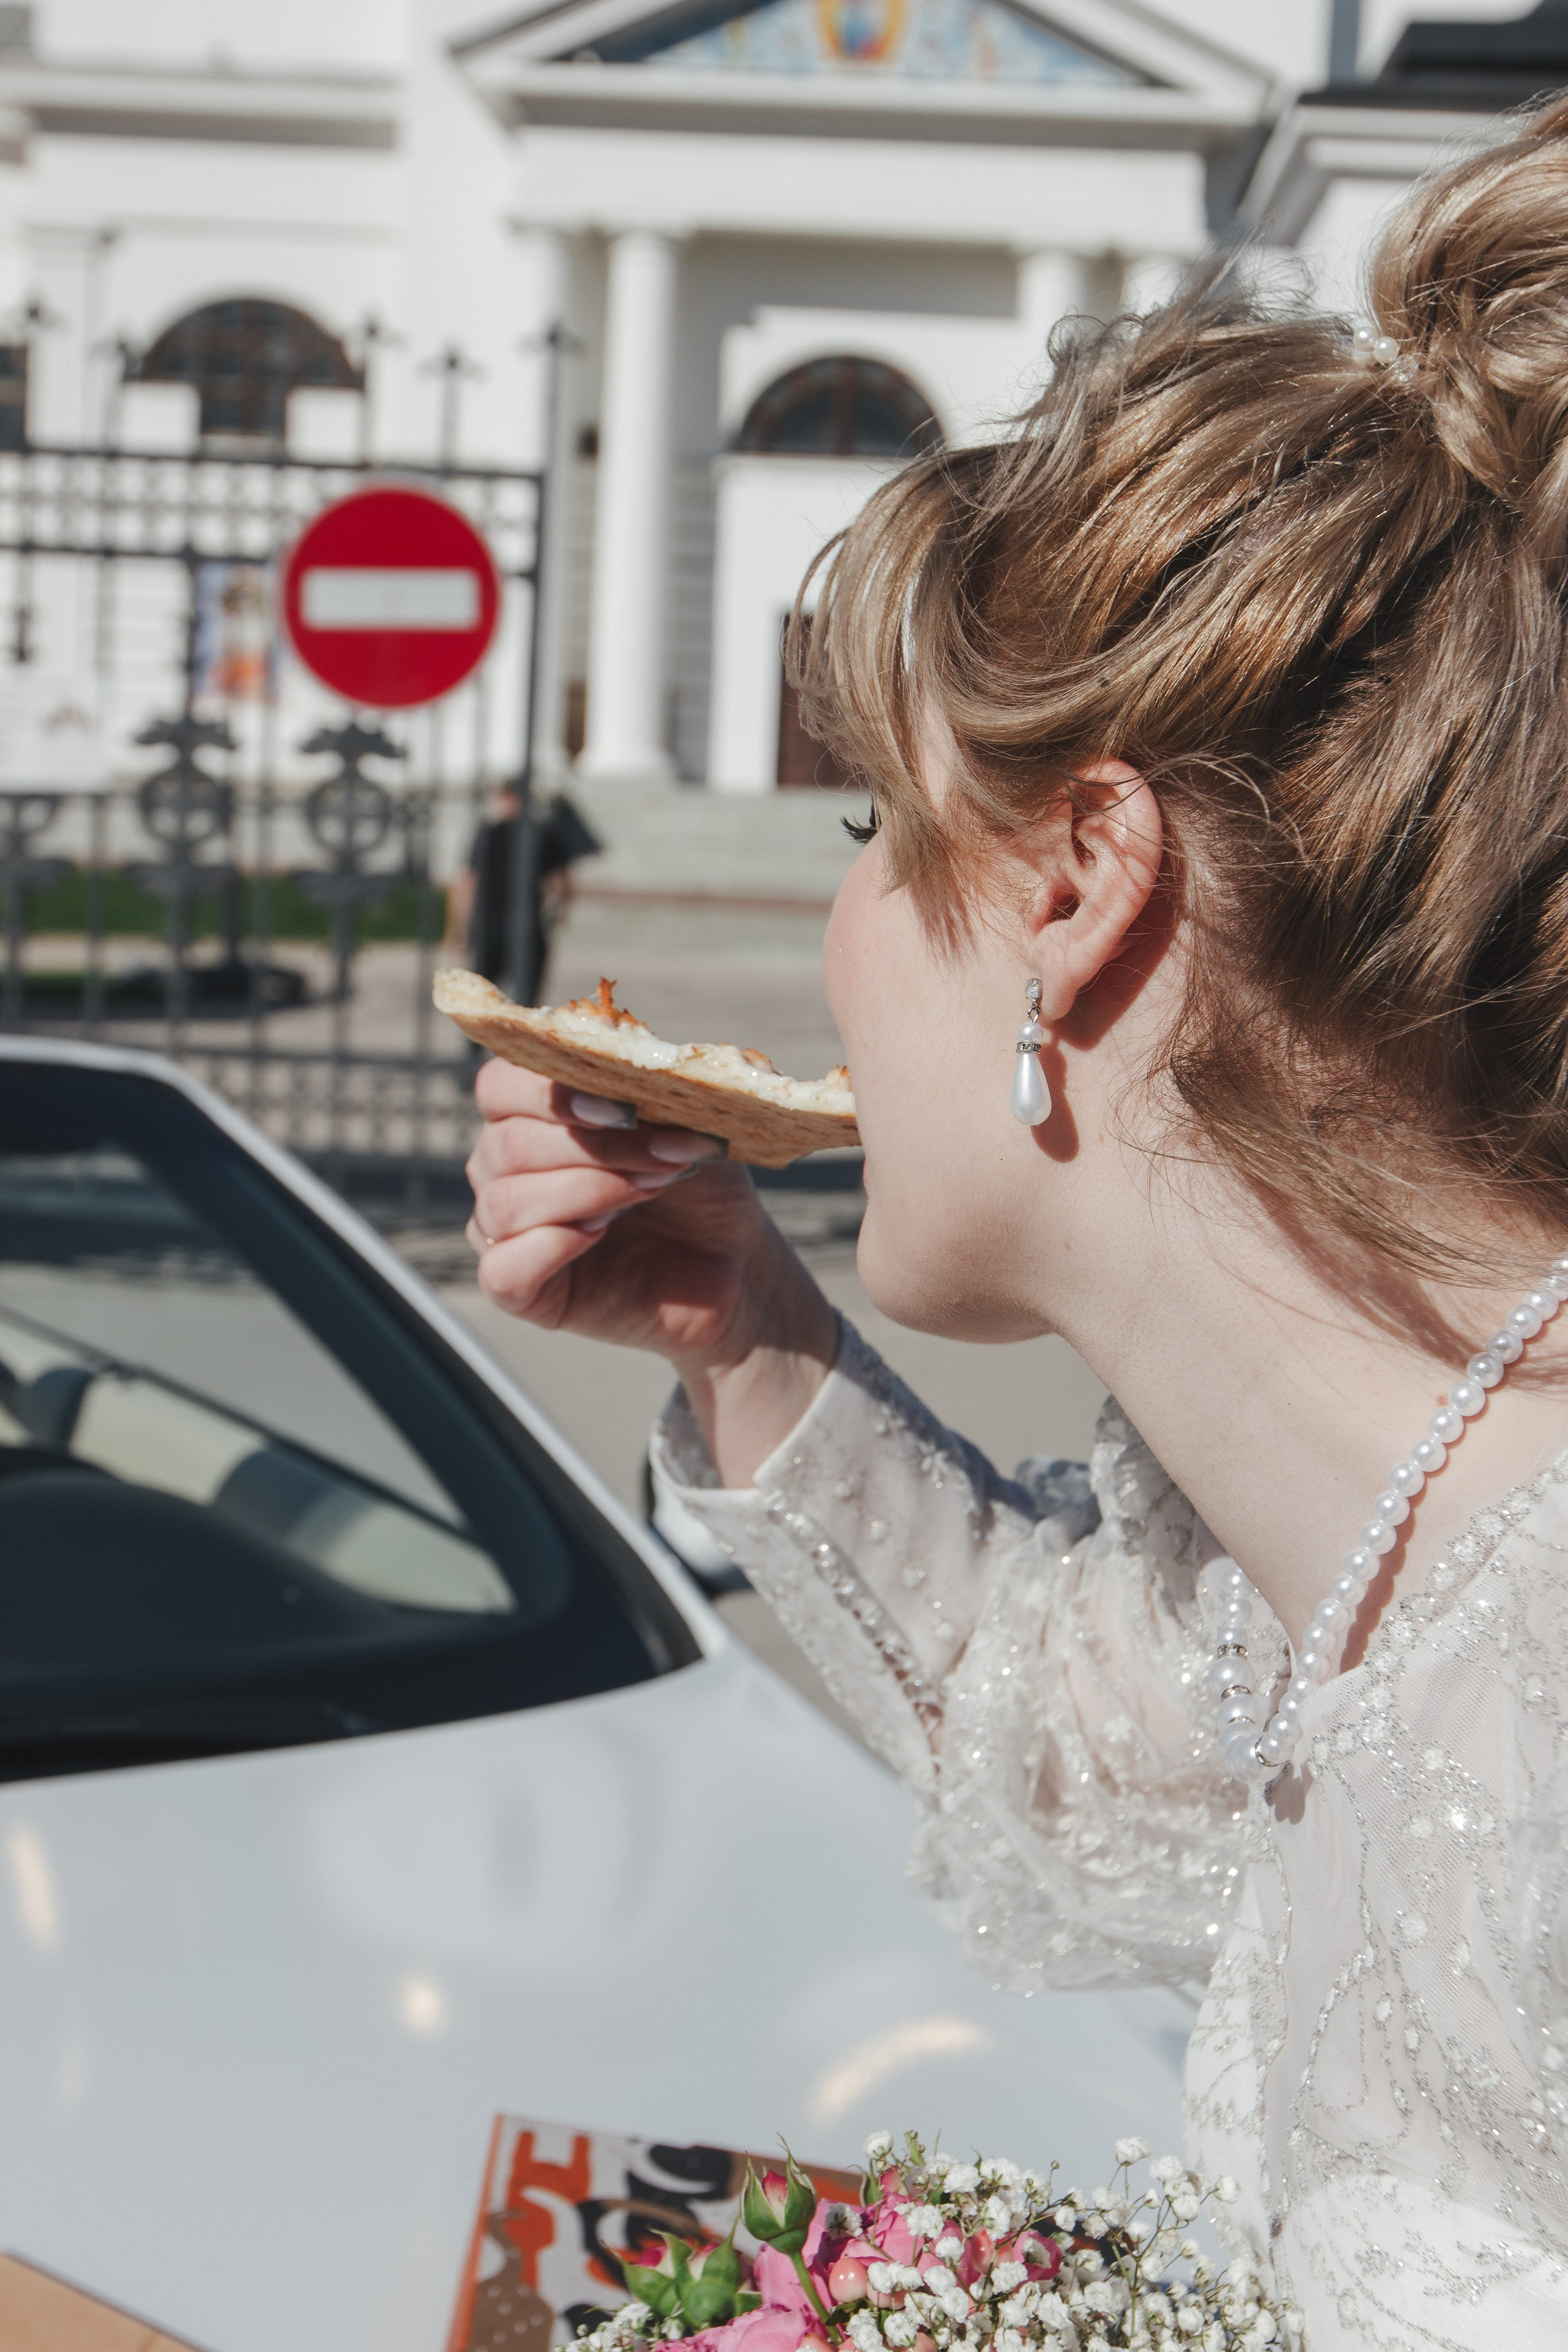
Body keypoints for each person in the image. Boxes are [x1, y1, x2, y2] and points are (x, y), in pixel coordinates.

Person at [462, 101, 1568, 2350]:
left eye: (876, 820)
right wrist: (736, 1324)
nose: (844, 923)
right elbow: (1068, 1760)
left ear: (1076, 887)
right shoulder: (1333, 1548)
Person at [443, 785, 601, 1003]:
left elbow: (468, 882)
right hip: (527, 928)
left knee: (480, 1002)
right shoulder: (542, 833)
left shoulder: (490, 833)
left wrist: (459, 928)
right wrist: (558, 913)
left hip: (490, 927)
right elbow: (565, 885)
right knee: (524, 1005)